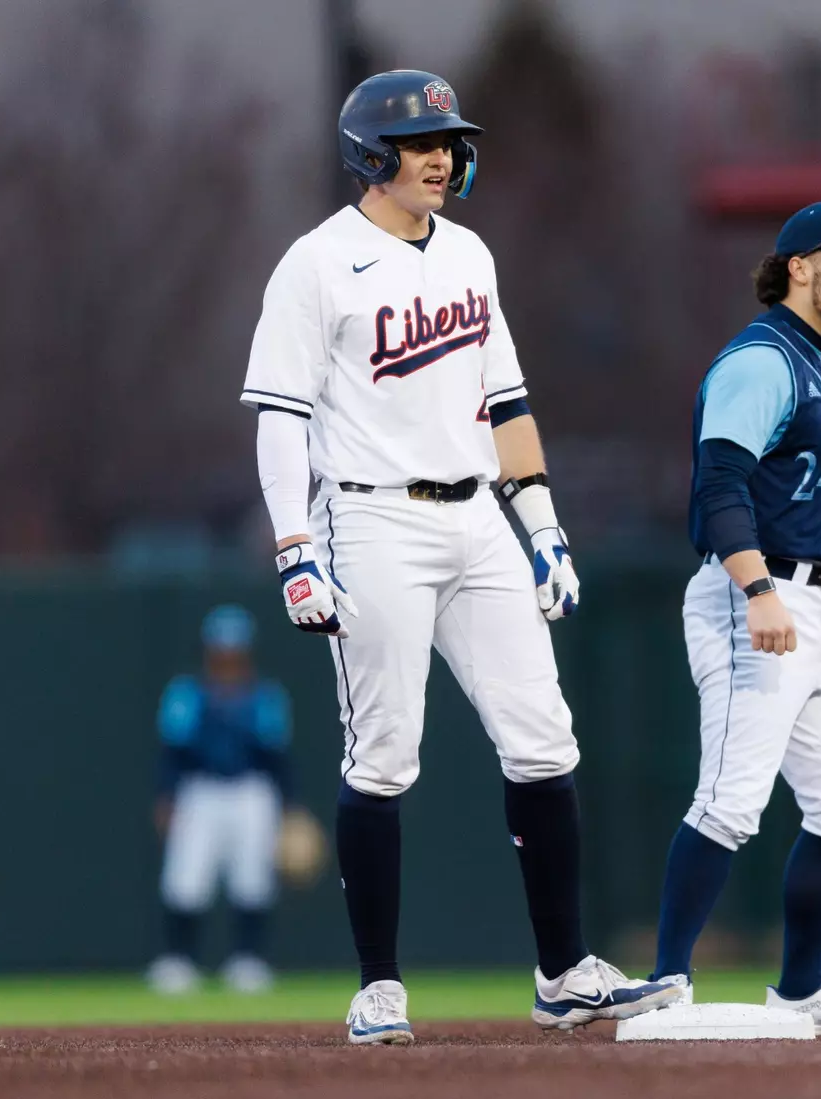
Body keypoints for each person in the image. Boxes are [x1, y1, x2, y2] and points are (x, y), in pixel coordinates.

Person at [238, 69, 679, 1044]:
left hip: (476, 514)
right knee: (385, 751)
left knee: (544, 737)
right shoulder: (316, 264)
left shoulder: (471, 256)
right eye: (419, 140)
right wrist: (295, 549)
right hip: (372, 518)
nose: (441, 154)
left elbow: (507, 403)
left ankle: (563, 971)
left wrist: (546, 526)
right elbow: (280, 420)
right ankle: (379, 985)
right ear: (369, 153)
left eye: (448, 138)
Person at [648, 202, 821, 1037]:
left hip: (812, 603)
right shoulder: (762, 362)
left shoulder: (810, 363)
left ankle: (801, 990)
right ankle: (665, 983)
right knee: (730, 800)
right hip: (754, 593)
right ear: (801, 267)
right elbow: (719, 485)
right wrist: (758, 589)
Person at [147, 604, 292, 995]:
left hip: (251, 792)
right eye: (220, 649)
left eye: (234, 649)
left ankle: (248, 960)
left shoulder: (264, 696)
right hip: (200, 791)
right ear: (208, 651)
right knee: (186, 878)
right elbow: (172, 753)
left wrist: (289, 809)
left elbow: (278, 757)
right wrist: (166, 797)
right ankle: (179, 961)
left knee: (252, 878)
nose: (227, 656)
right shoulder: (186, 693)